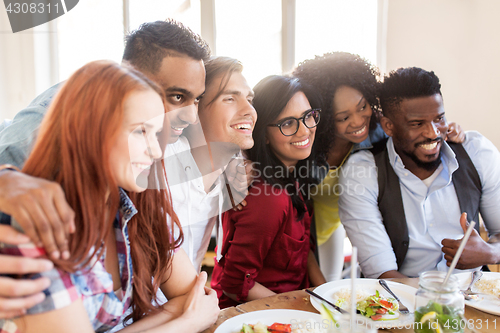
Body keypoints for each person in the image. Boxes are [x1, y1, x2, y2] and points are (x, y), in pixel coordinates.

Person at [0, 19, 211, 314]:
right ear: (129, 79)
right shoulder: (50, 124)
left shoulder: (145, 150)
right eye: (177, 97)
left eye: (196, 99)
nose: (191, 117)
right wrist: (5, 179)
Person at [293, 52, 465, 281]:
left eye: (362, 106)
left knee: (332, 287)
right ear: (323, 119)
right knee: (316, 289)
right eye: (343, 118)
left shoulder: (377, 132)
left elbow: (416, 133)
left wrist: (446, 128)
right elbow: (294, 217)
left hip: (337, 226)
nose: (358, 121)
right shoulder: (306, 149)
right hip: (304, 228)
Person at [338, 67, 500, 279]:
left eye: (439, 119)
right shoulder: (362, 172)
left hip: (473, 294)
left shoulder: (477, 152)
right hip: (401, 300)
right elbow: (382, 273)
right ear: (388, 126)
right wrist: (439, 304)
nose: (433, 133)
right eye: (417, 124)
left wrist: (490, 253)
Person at [210, 75, 326, 309]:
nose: (304, 131)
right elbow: (234, 284)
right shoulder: (269, 197)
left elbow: (304, 251)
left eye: (308, 117)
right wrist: (303, 306)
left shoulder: (291, 176)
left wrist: (328, 296)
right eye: (288, 123)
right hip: (257, 317)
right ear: (263, 134)